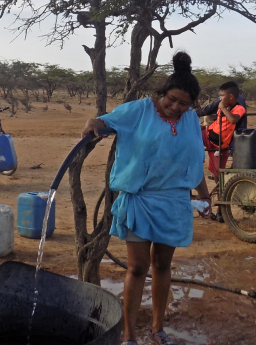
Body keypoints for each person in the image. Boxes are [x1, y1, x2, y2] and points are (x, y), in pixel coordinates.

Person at [81, 52, 212, 345]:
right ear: (161, 93)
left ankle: (157, 328)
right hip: (139, 200)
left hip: (175, 202)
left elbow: (194, 161)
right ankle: (128, 334)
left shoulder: (190, 120)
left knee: (163, 265)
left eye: (183, 103)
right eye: (171, 100)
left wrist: (205, 198)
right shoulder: (139, 110)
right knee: (138, 266)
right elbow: (103, 122)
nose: (175, 107)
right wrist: (93, 122)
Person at [198, 81, 247, 178]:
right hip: (210, 134)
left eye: (222, 95)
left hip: (220, 142)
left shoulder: (239, 108)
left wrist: (223, 108)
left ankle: (220, 191)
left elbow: (233, 120)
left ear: (231, 97)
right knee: (191, 133)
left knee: (218, 172)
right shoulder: (225, 105)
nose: (220, 98)